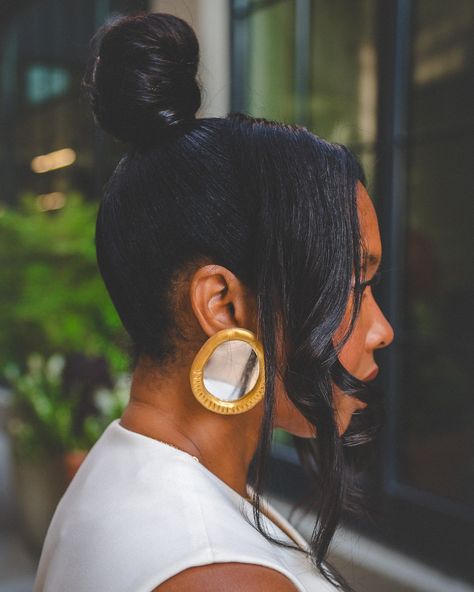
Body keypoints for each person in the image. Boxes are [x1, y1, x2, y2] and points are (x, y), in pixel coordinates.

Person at [33, 11, 394, 592]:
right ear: (222, 305)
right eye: (353, 286)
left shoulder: (135, 471)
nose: (381, 329)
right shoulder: (216, 574)